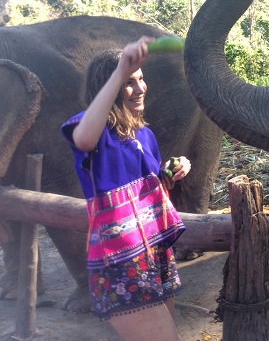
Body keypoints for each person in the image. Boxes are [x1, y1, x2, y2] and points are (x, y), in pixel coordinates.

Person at [61, 36, 190, 341]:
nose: (140, 88)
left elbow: (147, 188)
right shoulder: (91, 129)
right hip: (121, 262)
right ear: (109, 87)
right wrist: (120, 70)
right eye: (129, 82)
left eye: (141, 79)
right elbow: (83, 140)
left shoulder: (143, 135)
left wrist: (172, 171)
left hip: (155, 254)